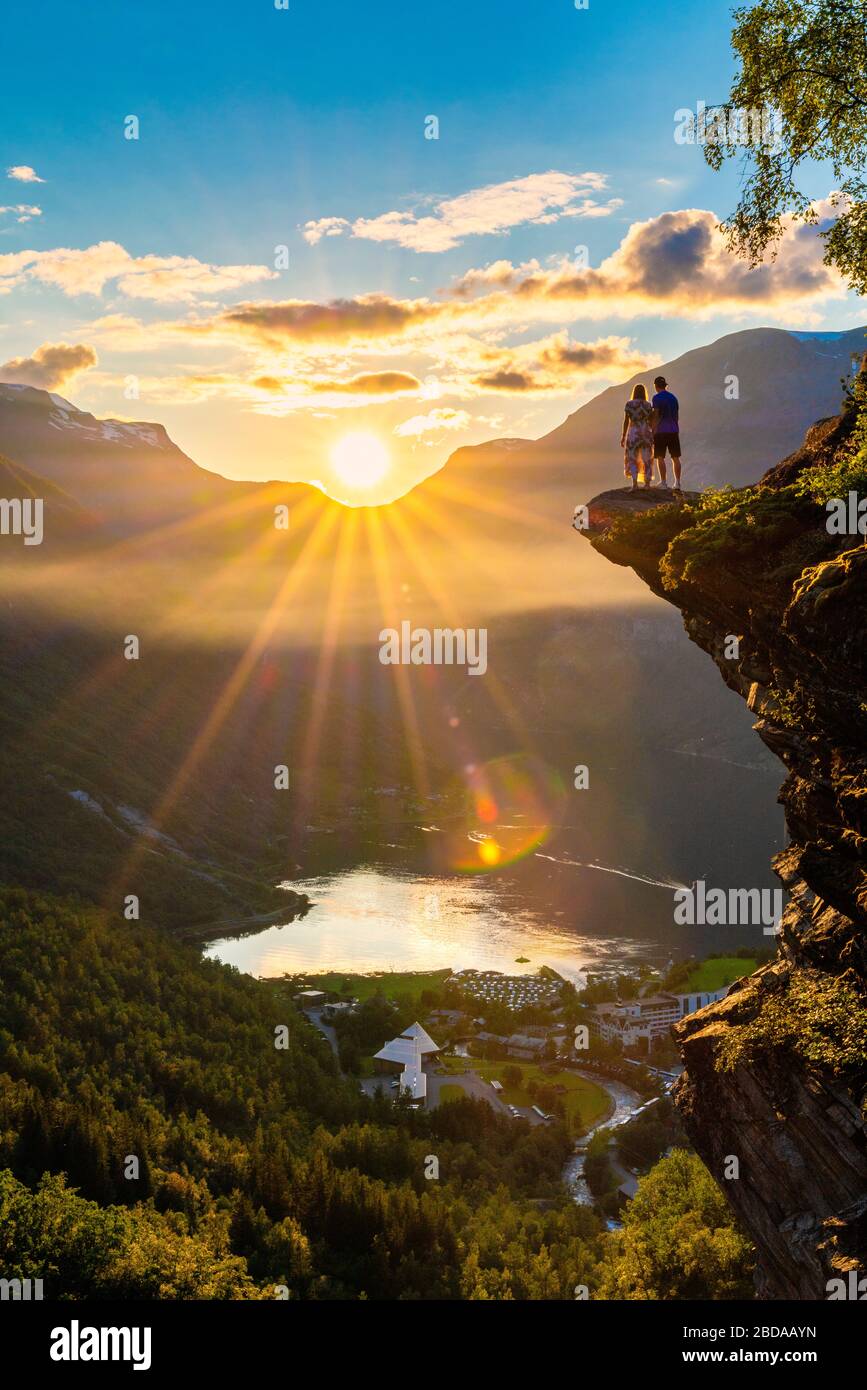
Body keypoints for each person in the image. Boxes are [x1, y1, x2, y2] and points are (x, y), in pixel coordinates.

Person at [651, 375, 682, 490]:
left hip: (661, 431)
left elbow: (656, 415)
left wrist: (653, 430)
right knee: (675, 457)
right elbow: (677, 416)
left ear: (656, 386)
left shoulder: (656, 398)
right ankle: (677, 483)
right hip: (673, 430)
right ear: (665, 385)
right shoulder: (674, 398)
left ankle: (663, 483)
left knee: (660, 457)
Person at [620, 383, 655, 490]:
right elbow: (652, 421)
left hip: (633, 433)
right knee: (647, 459)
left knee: (632, 458)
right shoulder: (648, 405)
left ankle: (635, 484)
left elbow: (626, 421)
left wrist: (623, 436)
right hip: (646, 433)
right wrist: (653, 434)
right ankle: (647, 484)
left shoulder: (629, 404)